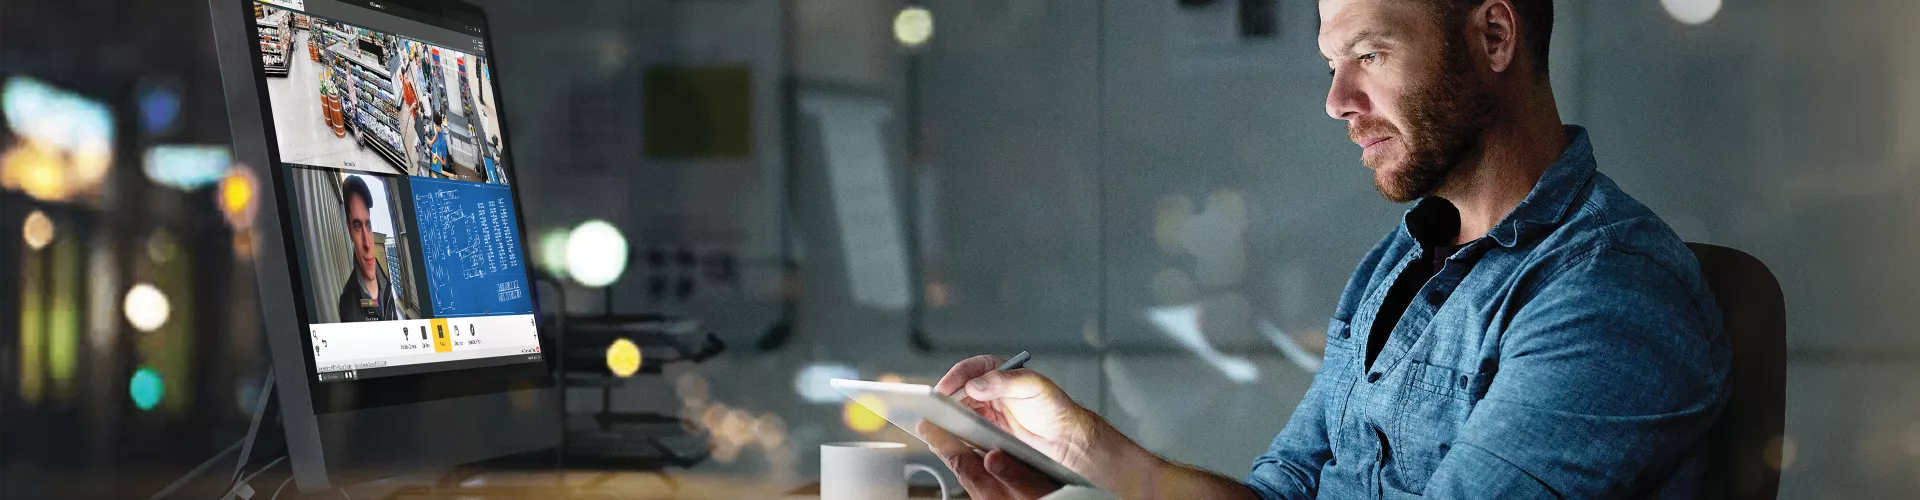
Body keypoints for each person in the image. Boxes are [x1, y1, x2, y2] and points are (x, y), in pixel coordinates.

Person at [921, 0, 1731, 498]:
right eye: (1333, 63)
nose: (1339, 100)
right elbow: (1281, 496)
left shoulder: (1609, 293)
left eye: (1371, 55)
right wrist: (1081, 453)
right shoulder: (1399, 266)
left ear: (1492, 36)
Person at [335, 175, 401, 323]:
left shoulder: (386, 284)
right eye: (358, 226)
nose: (367, 243)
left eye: (368, 225)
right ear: (349, 230)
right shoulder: (347, 304)